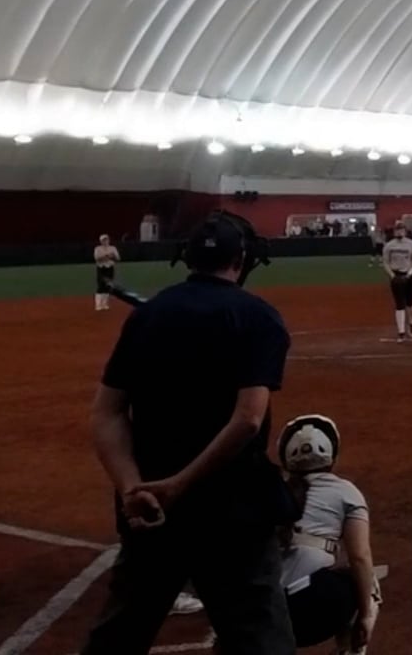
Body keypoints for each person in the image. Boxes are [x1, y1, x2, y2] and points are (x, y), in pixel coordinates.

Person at [83, 213, 296, 655]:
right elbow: (247, 420)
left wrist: (132, 487)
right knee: (259, 640)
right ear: (242, 259)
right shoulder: (257, 316)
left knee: (119, 637)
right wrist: (180, 484)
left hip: (151, 509)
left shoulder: (149, 316)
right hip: (232, 511)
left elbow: (106, 413)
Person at [276, 415, 381, 654]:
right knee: (364, 578)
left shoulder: (272, 493)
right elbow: (360, 557)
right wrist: (365, 616)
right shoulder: (346, 492)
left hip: (268, 617)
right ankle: (350, 650)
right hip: (318, 612)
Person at [381, 223, 412, 342]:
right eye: (397, 230)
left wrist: (409, 274)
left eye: (401, 230)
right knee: (399, 304)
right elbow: (385, 262)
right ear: (394, 232)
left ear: (405, 231)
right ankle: (401, 332)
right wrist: (393, 276)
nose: (399, 232)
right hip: (396, 275)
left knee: (411, 302)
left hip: (409, 275)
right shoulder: (389, 245)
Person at [94, 235, 121, 312]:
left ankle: (105, 304)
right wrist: (107, 256)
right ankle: (98, 305)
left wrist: (110, 257)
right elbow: (97, 258)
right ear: (101, 241)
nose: (105, 241)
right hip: (101, 268)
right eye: (103, 240)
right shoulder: (98, 248)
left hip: (110, 268)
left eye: (106, 240)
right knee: (100, 285)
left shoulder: (113, 248)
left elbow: (118, 258)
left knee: (108, 286)